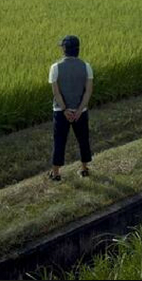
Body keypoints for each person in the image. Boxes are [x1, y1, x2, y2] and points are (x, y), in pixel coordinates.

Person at [48, 35, 93, 181]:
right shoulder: (86, 66)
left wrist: (65, 109)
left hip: (61, 113)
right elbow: (88, 91)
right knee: (83, 139)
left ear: (64, 50)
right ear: (78, 49)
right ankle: (84, 169)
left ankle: (56, 173)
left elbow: (56, 92)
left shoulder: (55, 67)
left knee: (59, 140)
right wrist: (79, 110)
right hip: (81, 112)